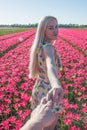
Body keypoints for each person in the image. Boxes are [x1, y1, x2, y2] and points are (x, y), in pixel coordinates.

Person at [28, 16, 64, 130]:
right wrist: (56, 85)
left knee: (40, 121)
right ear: (43, 30)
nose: (55, 30)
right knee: (49, 125)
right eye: (50, 28)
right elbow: (51, 66)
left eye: (56, 27)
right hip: (49, 91)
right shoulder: (48, 47)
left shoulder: (40, 46)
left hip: (39, 88)